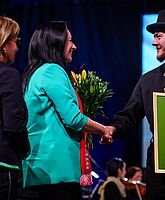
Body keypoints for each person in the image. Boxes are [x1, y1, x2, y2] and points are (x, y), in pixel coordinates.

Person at [106, 10, 165, 200]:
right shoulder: (149, 79)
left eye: (158, 36)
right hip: (159, 169)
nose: (154, 42)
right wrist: (112, 129)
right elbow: (129, 116)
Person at [21, 20, 112, 200]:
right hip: (55, 170)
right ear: (56, 42)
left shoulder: (36, 72)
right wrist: (104, 129)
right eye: (70, 41)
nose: (74, 46)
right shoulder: (52, 70)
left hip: (41, 170)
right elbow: (73, 119)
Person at [0, 16, 30, 200]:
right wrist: (25, 149)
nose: (18, 47)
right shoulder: (8, 75)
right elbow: (13, 124)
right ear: (4, 43)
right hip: (3, 166)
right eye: (15, 40)